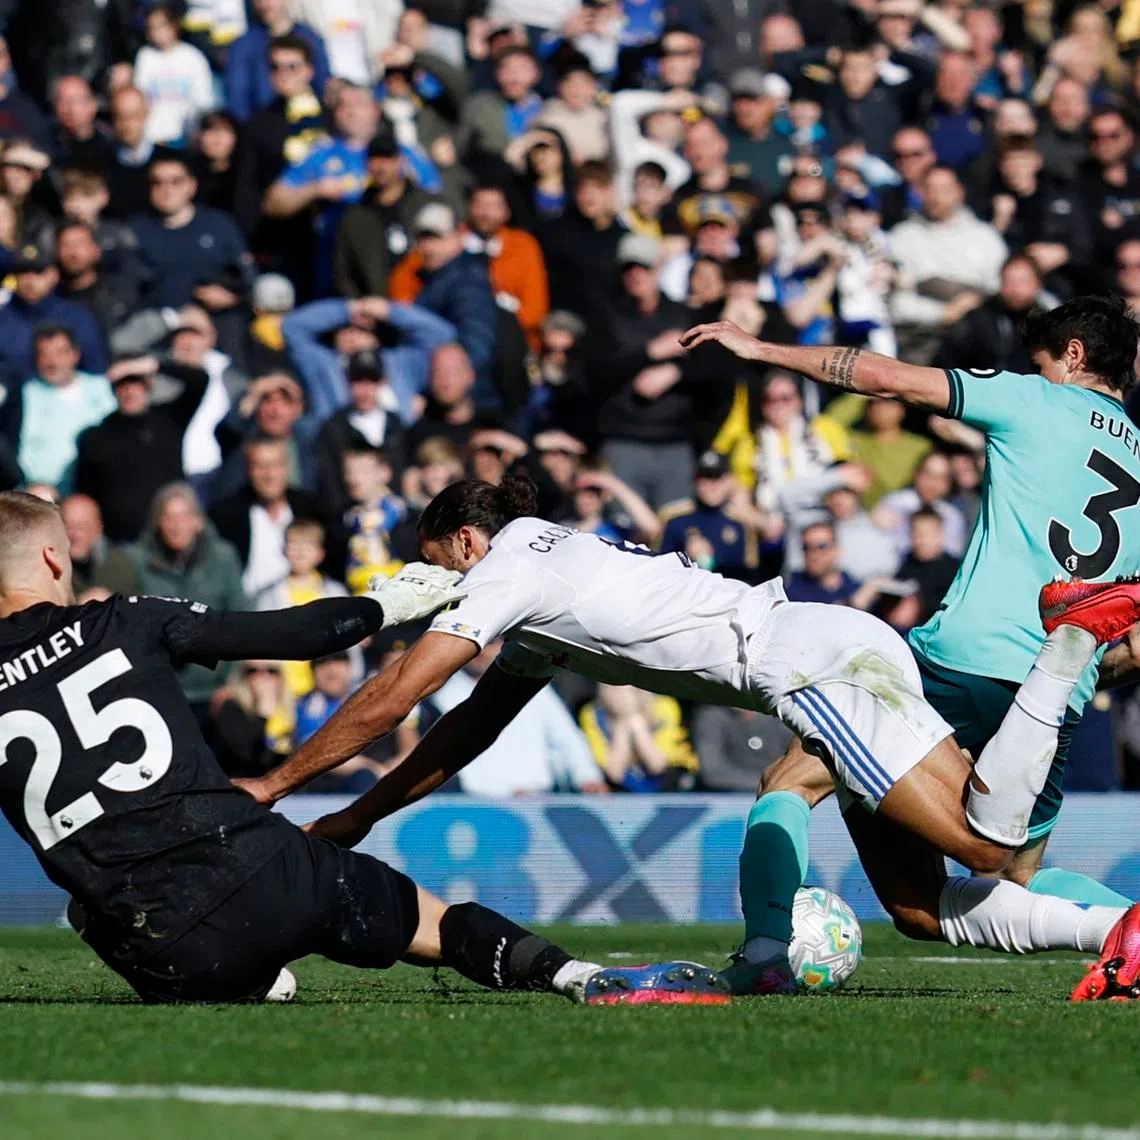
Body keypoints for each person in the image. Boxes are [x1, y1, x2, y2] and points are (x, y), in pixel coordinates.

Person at [232, 470, 1140, 1004]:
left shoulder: (509, 568)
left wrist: (274, 786)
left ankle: (1068, 644)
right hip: (827, 646)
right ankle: (1117, 929)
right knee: (917, 905)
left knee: (986, 840)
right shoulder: (552, 579)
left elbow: (399, 693)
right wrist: (358, 814)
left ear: (465, 541)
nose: (443, 593)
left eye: (437, 571)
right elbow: (464, 730)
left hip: (805, 667)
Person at [0, 489, 653, 1006]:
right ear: (55, 559)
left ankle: (246, 983)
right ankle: (574, 975)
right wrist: (384, 605)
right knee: (438, 927)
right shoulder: (121, 617)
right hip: (268, 866)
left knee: (88, 908)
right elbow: (295, 633)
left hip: (169, 941)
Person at [676, 304, 1140, 1000]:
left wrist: (762, 349)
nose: (1034, 372)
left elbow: (884, 376)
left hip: (957, 664)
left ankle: (767, 953)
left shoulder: (1037, 397)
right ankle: (1125, 931)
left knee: (789, 781)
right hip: (1056, 692)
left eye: (1041, 361)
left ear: (1072, 357)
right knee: (943, 901)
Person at [75, 354, 209, 543]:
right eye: (122, 385)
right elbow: (86, 492)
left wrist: (151, 364)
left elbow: (199, 380)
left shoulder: (170, 419)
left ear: (148, 386)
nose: (130, 391)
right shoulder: (95, 436)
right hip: (120, 541)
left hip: (169, 535)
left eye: (136, 383)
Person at [60, 493, 139, 597]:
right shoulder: (47, 566)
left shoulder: (119, 565)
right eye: (68, 526)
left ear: (98, 529)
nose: (74, 535)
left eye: (82, 527)